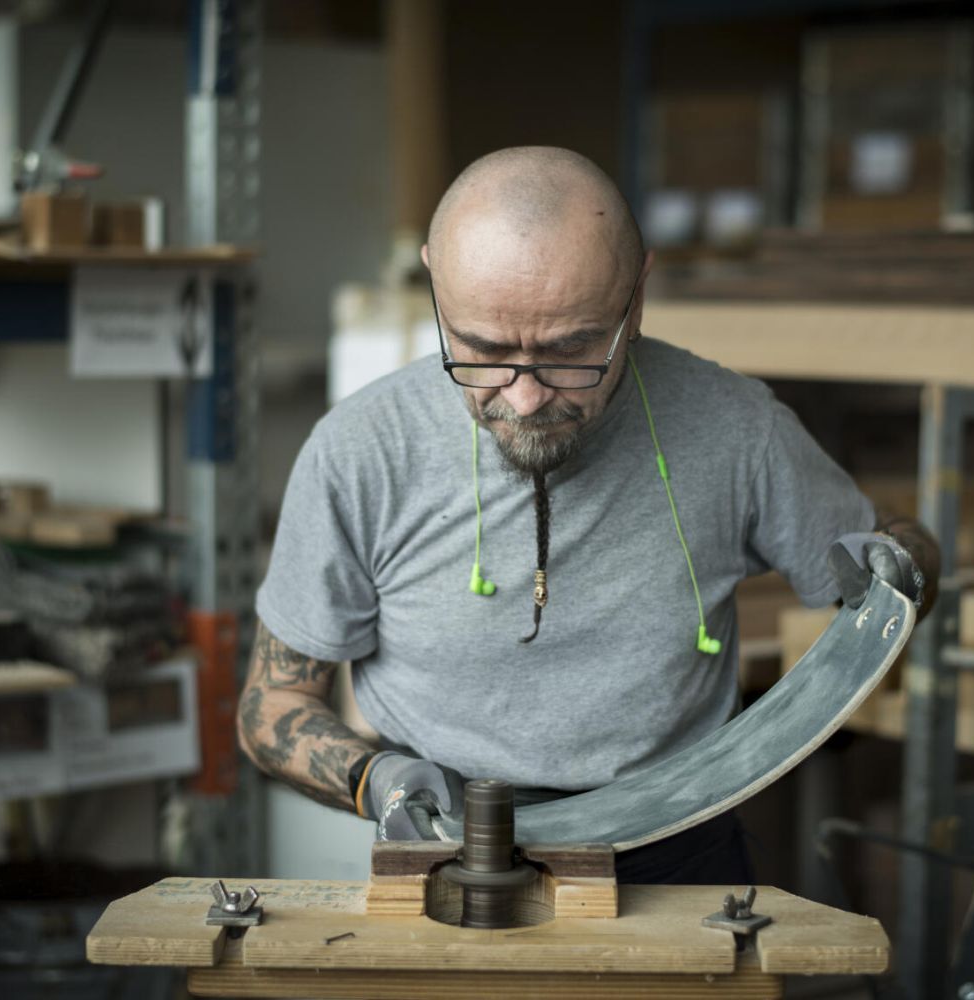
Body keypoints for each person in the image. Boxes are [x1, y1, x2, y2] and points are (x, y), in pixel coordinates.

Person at [238, 146, 938, 884]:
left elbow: (891, 555)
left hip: (677, 848)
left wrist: (907, 569)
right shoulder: (359, 452)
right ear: (438, 290)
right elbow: (272, 704)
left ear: (635, 299)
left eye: (572, 352)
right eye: (482, 351)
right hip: (443, 854)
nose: (526, 396)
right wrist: (374, 780)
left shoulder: (737, 429)